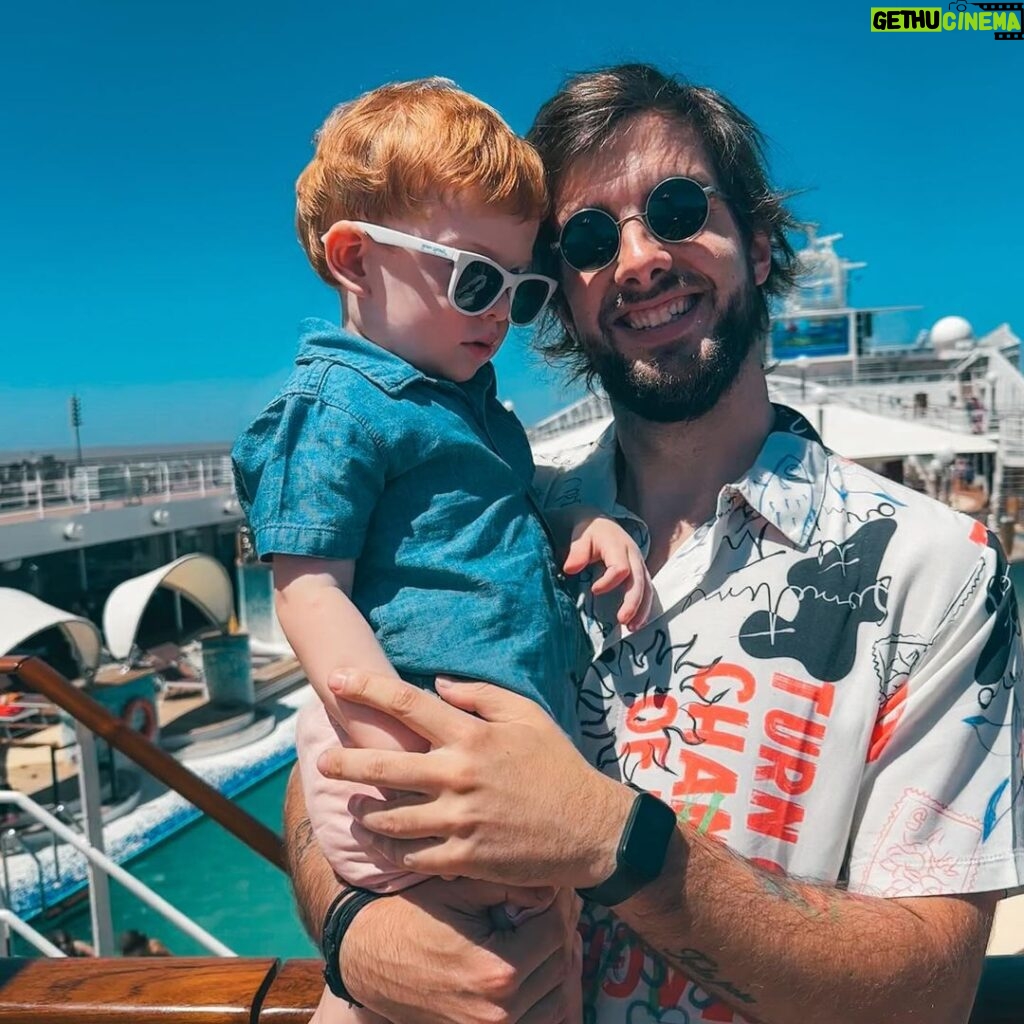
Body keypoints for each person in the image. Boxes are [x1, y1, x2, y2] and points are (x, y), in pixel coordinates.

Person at [283, 63, 1024, 1024]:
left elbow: (930, 991)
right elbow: (330, 762)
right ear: (560, 295)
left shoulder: (941, 571)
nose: (636, 260)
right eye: (589, 238)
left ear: (758, 245)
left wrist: (608, 840)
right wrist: (360, 936)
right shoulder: (489, 514)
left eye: (676, 209)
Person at [232, 77, 652, 1024]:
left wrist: (576, 521)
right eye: (474, 279)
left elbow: (499, 514)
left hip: (507, 773)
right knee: (417, 981)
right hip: (425, 762)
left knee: (540, 975)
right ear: (353, 258)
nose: (501, 311)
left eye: (523, 288)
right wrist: (397, 754)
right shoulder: (335, 410)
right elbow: (309, 595)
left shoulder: (470, 408)